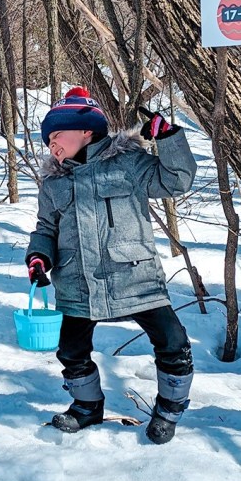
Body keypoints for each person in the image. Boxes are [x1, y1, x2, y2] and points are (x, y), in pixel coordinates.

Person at [25, 87, 197, 444]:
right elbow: (45, 228)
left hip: (135, 275)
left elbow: (176, 180)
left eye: (56, 135)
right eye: (48, 140)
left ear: (86, 130)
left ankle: (169, 410)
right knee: (70, 350)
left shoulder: (129, 163)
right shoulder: (54, 182)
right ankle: (87, 408)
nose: (51, 145)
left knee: (173, 342)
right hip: (77, 282)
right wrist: (39, 256)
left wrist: (167, 139)